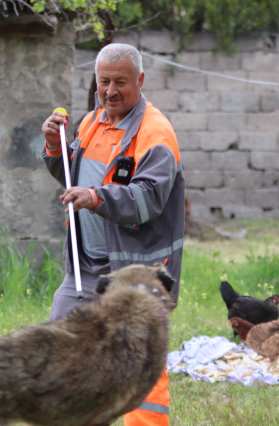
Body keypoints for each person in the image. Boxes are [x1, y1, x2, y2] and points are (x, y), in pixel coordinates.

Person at [41, 43, 185, 426]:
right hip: (86, 267)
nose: (110, 91)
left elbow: (147, 199)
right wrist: (55, 147)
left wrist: (94, 196)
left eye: (120, 82)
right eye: (103, 81)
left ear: (140, 80)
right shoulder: (91, 122)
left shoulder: (156, 133)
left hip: (137, 271)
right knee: (57, 351)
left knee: (139, 363)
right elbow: (74, 179)